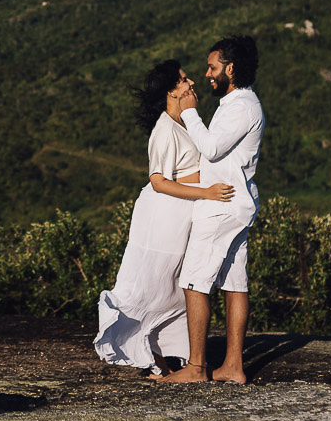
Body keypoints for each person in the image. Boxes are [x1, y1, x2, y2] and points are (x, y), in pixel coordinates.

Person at [94, 59, 234, 375]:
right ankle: (155, 360)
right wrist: (206, 192)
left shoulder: (185, 122)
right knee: (156, 285)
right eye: (184, 81)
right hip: (162, 217)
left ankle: (170, 362)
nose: (192, 83)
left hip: (183, 215)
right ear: (172, 91)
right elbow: (158, 180)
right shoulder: (164, 129)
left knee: (177, 287)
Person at [161, 35, 264, 384]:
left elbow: (212, 149)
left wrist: (189, 111)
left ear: (230, 69)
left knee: (194, 282)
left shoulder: (240, 106)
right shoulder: (238, 103)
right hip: (236, 202)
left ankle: (195, 367)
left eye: (213, 67)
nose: (207, 74)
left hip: (221, 204)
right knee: (235, 283)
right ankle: (233, 366)